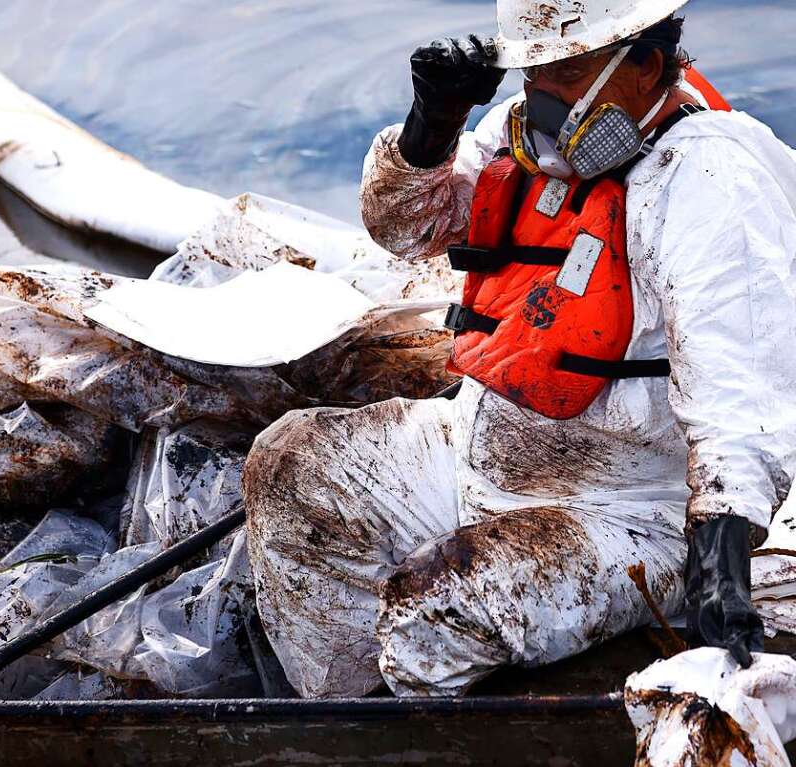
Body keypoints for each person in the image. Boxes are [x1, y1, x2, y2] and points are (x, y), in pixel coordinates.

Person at [243, 0, 796, 698]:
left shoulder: (713, 183)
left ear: (644, 64)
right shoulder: (525, 140)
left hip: (628, 512)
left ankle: (453, 734)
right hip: (477, 453)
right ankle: (341, 722)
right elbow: (405, 230)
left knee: (431, 608)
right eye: (531, 69)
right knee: (291, 463)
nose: (537, 94)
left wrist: (719, 574)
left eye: (562, 69)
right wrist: (431, 126)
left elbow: (739, 401)